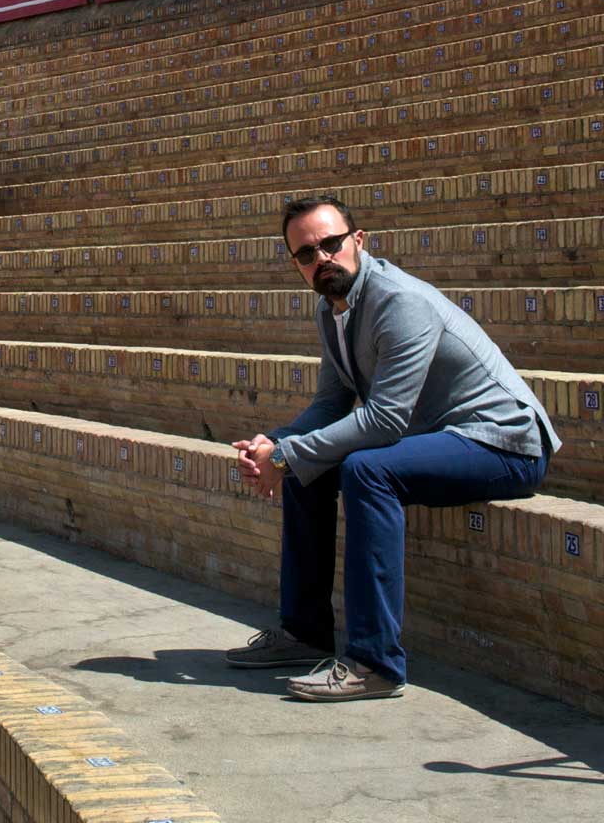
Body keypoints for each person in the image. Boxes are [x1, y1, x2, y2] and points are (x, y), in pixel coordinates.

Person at [226, 195, 560, 702]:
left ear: (358, 241)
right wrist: (278, 444)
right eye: (306, 254)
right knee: (309, 468)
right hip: (441, 440)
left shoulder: (398, 301)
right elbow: (330, 403)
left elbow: (385, 419)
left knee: (364, 470)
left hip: (503, 442)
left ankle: (375, 662)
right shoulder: (332, 309)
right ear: (295, 264)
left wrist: (289, 455)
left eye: (331, 244)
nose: (322, 259)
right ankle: (304, 633)